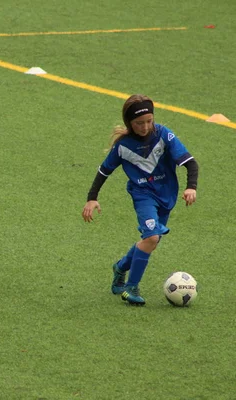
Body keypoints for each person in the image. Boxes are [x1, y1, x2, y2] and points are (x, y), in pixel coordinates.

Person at [81, 94, 198, 306]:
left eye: (149, 121)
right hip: (142, 195)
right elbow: (103, 171)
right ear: (129, 123)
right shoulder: (123, 146)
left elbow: (190, 163)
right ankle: (131, 288)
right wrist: (92, 199)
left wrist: (191, 187)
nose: (145, 127)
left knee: (150, 242)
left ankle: (120, 267)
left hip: (166, 195)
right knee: (152, 238)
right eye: (139, 123)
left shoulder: (164, 135)